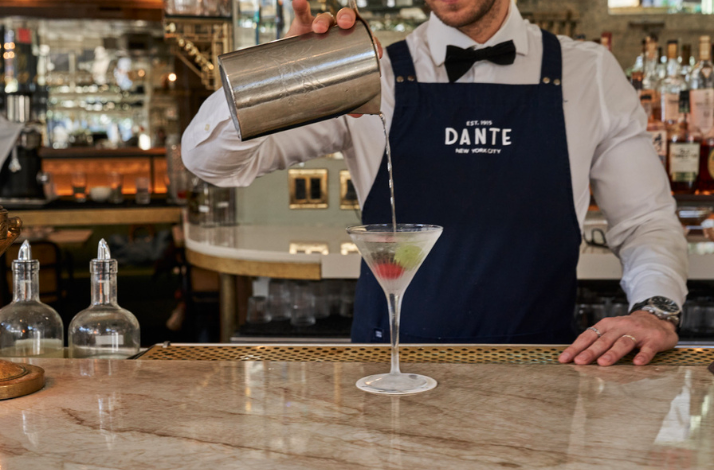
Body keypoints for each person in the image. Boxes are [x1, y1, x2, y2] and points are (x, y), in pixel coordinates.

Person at [182, 0, 688, 366]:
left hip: (544, 369)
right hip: (390, 369)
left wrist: (657, 309)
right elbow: (212, 161)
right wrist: (280, 76)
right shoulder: (368, 74)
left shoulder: (588, 73)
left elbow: (645, 222)